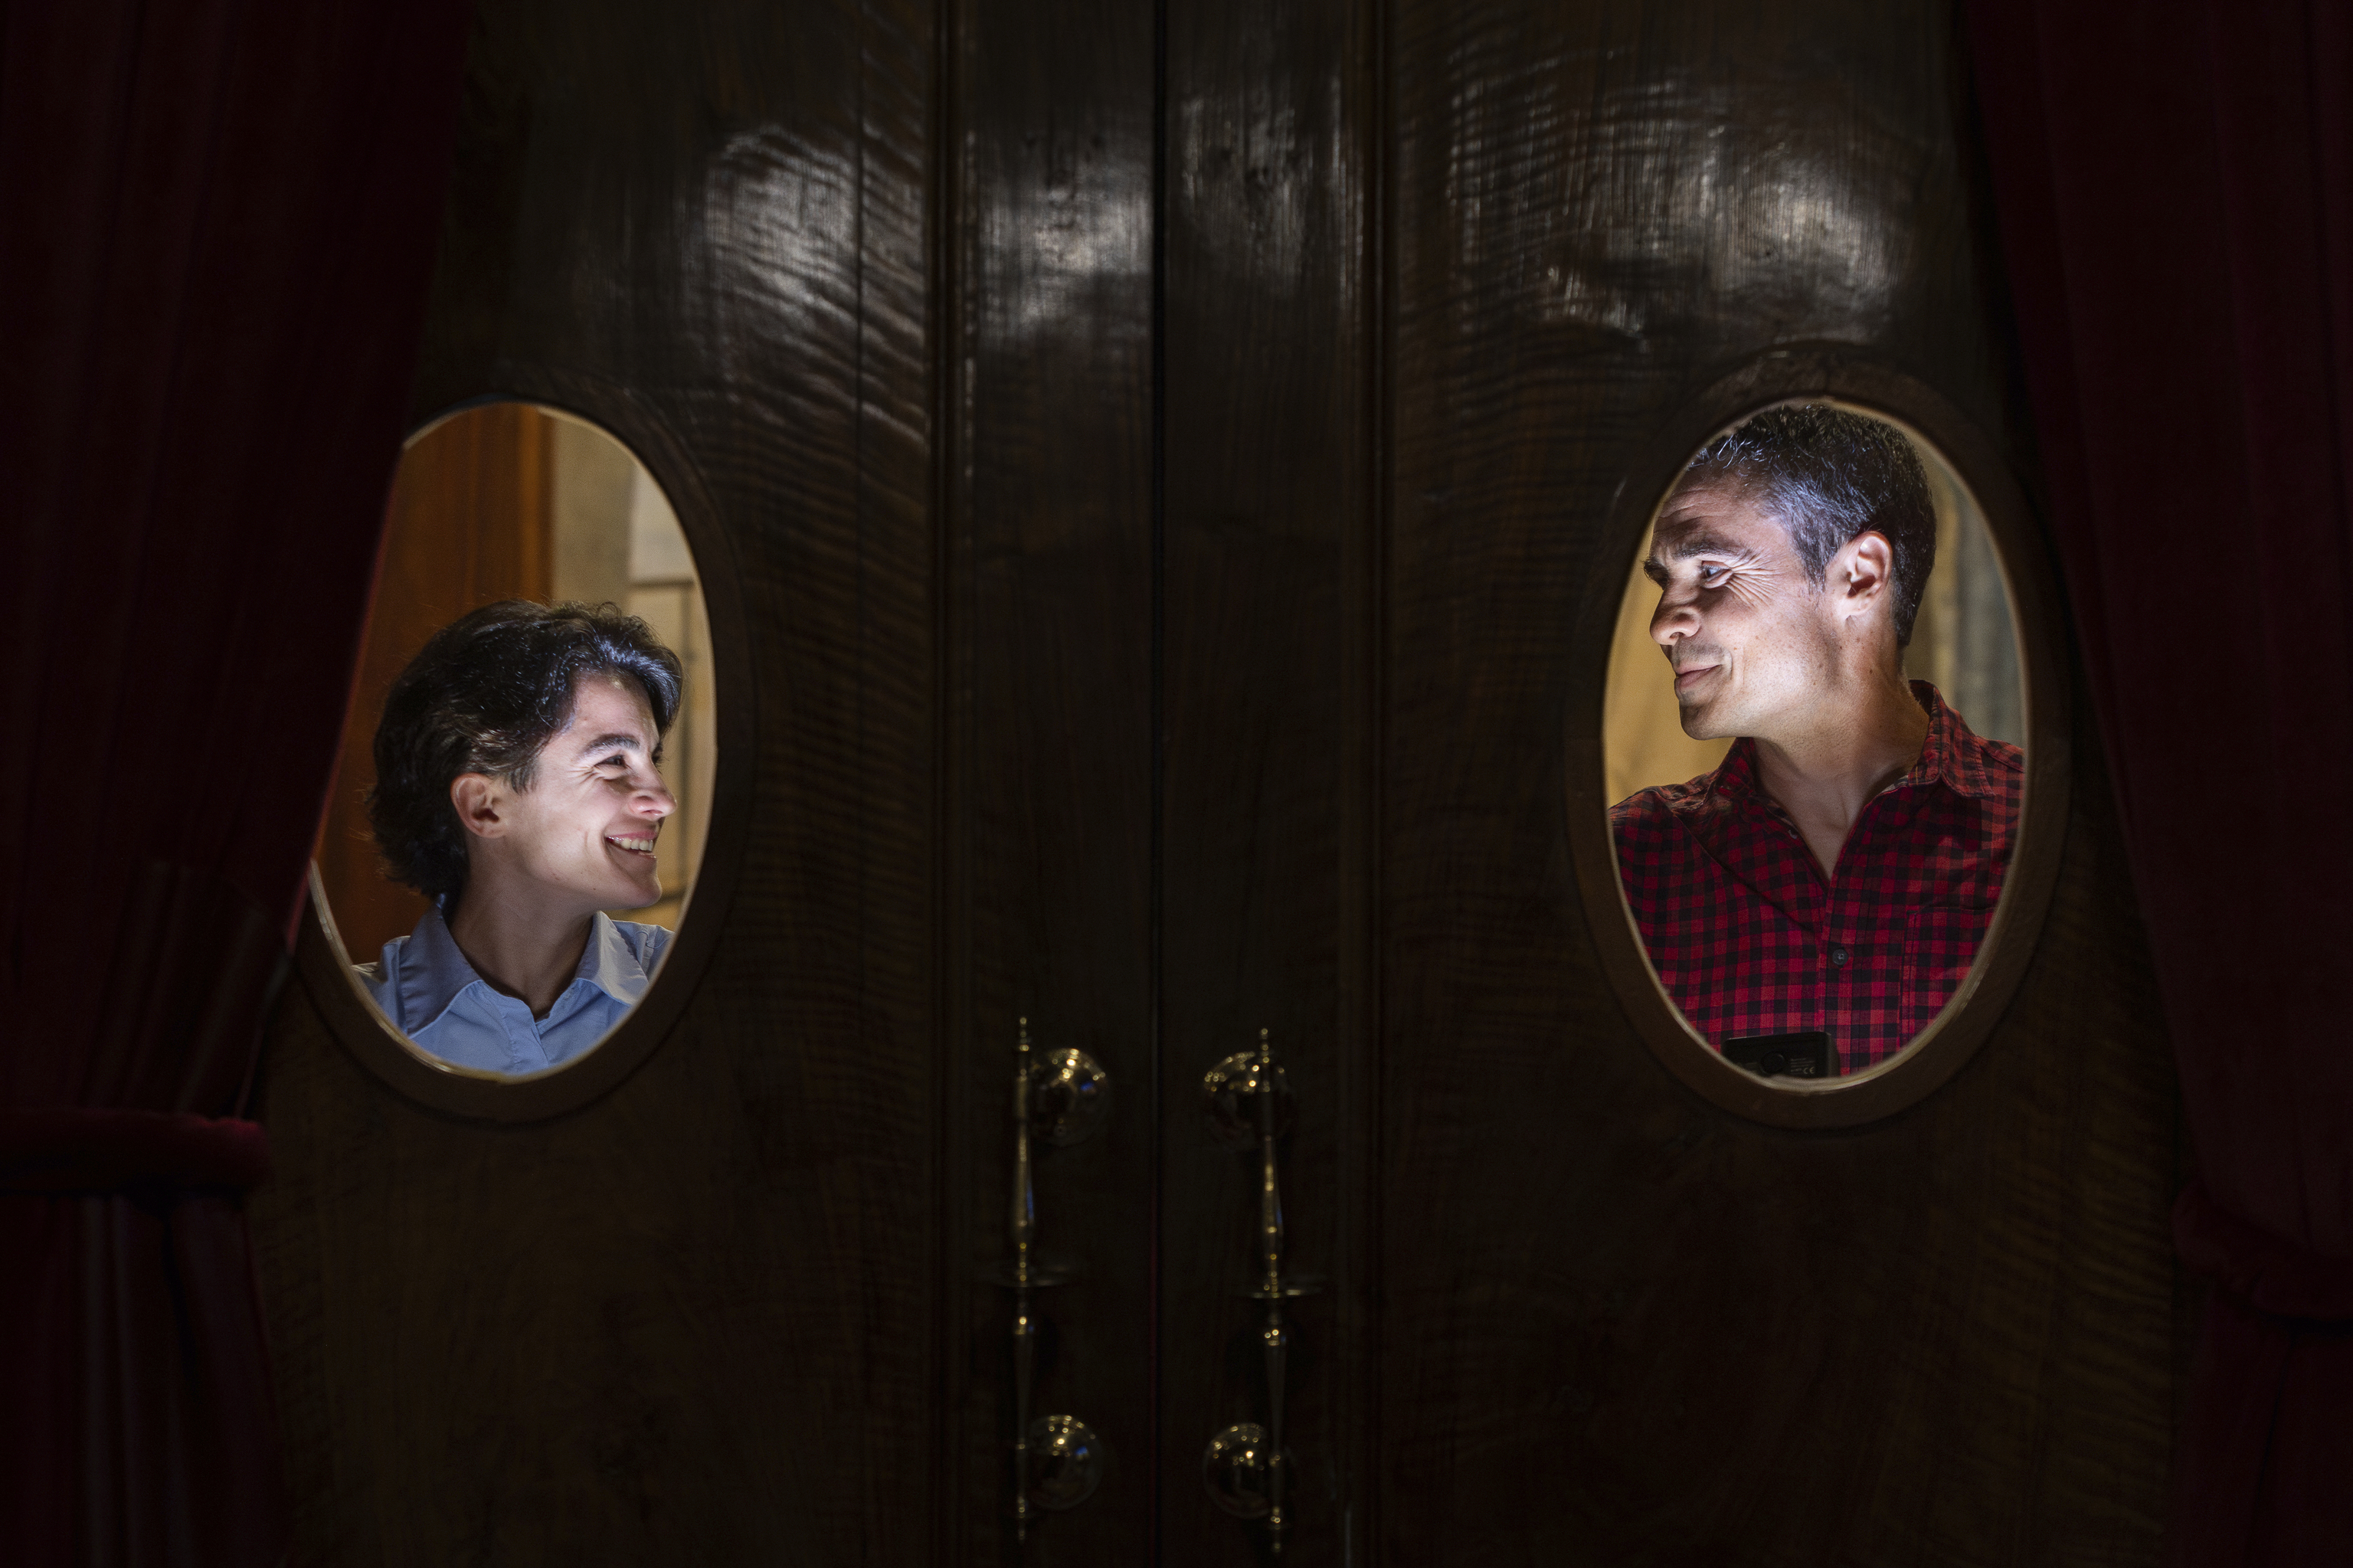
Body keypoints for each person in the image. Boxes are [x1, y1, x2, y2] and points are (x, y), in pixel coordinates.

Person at [1610, 404, 2022, 1076]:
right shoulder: (1631, 866)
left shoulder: (2042, 836)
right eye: (1666, 583)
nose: (1663, 625)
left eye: (1711, 571)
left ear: (1859, 575)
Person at [355, 600, 683, 1074]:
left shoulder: (695, 990)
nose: (664, 800)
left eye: (654, 760)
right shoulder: (355, 1025)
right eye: (613, 761)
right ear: (484, 806)